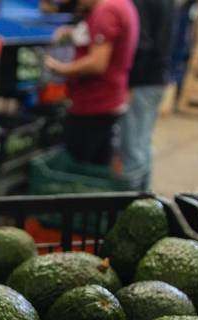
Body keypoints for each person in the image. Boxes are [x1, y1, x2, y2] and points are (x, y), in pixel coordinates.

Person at [45, 0, 139, 169]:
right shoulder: (122, 4)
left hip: (94, 104)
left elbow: (97, 63)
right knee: (99, 163)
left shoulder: (106, 10)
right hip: (110, 99)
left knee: (82, 167)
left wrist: (60, 68)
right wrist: (73, 32)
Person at [121, 0, 175, 190]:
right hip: (157, 77)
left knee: (133, 148)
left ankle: (131, 206)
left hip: (143, 81)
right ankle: (145, 198)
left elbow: (142, 44)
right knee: (143, 143)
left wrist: (131, 83)